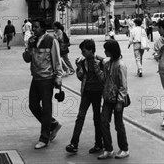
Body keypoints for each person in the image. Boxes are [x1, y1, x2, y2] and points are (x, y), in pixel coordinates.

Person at [22, 18, 63, 150]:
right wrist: (29, 47)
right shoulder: (32, 41)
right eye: (33, 27)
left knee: (46, 108)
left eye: (36, 26)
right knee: (33, 105)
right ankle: (52, 124)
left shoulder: (51, 41)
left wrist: (58, 78)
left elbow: (56, 60)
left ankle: (44, 137)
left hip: (47, 79)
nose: (34, 29)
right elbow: (27, 59)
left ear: (43, 28)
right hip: (36, 78)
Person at [66, 39, 104, 155]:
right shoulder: (83, 62)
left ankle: (99, 143)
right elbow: (80, 77)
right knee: (80, 116)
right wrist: (79, 67)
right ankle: (74, 143)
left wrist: (97, 68)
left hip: (97, 92)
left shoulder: (100, 61)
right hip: (86, 92)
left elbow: (103, 78)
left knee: (97, 118)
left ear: (91, 50)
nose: (82, 53)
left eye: (84, 51)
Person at [98, 40, 129, 160]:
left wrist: (120, 101)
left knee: (118, 125)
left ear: (112, 51)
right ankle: (108, 149)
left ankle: (124, 148)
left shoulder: (120, 65)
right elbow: (104, 78)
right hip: (107, 97)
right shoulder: (107, 63)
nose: (105, 52)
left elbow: (123, 85)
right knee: (104, 122)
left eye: (106, 50)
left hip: (116, 100)